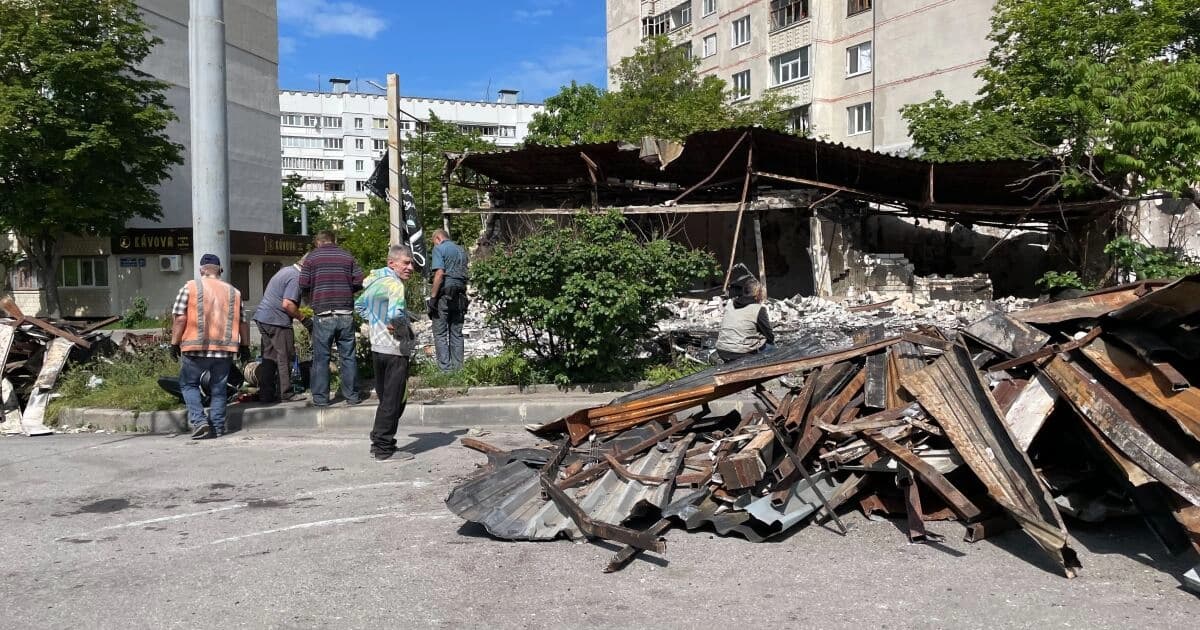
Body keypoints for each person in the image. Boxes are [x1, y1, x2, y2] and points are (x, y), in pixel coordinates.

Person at [170, 254, 250, 439]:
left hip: (195, 348)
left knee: (189, 384)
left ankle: (200, 422)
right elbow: (243, 322)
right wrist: (245, 346)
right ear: (220, 270)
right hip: (224, 350)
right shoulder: (234, 293)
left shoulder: (190, 287)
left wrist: (174, 343)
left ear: (201, 270)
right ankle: (217, 427)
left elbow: (180, 318)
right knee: (218, 389)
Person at [355, 245, 418, 462]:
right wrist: (401, 327)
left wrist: (378, 322)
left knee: (386, 399)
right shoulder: (395, 284)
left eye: (411, 263)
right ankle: (383, 448)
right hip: (395, 350)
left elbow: (359, 306)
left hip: (378, 348)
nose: (410, 267)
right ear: (392, 263)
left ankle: (379, 441)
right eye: (406, 263)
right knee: (395, 400)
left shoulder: (375, 282)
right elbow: (396, 314)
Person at [299, 230, 365, 407]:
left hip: (323, 313)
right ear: (333, 240)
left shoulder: (311, 258)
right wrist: (347, 290)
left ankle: (321, 399)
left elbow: (303, 283)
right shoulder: (347, 256)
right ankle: (352, 396)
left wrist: (313, 295)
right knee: (348, 356)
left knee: (321, 358)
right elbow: (359, 281)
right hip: (345, 312)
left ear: (318, 242)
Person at [252, 254, 308, 402]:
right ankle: (287, 393)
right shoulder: (296, 277)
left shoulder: (286, 270)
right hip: (277, 320)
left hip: (263, 317)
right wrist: (304, 319)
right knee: (285, 356)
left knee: (269, 357)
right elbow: (287, 304)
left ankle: (266, 394)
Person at [427, 228, 469, 372]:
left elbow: (439, 274)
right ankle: (458, 369)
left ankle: (445, 370)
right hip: (460, 295)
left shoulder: (439, 249)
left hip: (444, 294)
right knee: (456, 332)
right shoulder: (462, 250)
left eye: (434, 242)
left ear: (438, 238)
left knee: (440, 333)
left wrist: (433, 299)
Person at [715, 278, 775, 363]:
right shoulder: (758, 309)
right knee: (771, 347)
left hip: (722, 350)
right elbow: (769, 336)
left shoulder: (730, 305)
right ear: (758, 293)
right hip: (740, 353)